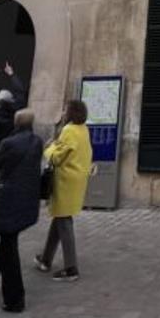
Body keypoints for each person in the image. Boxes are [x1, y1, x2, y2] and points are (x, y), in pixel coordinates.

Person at [0, 108, 43, 313]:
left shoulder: (8, 143)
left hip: (9, 200)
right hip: (28, 201)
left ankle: (15, 299)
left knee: (9, 248)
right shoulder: (38, 142)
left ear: (16, 123)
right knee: (8, 241)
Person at [34, 100, 93, 282]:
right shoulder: (83, 129)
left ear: (71, 112)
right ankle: (46, 258)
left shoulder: (69, 130)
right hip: (77, 179)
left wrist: (49, 147)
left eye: (65, 109)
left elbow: (57, 157)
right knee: (60, 218)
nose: (63, 112)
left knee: (64, 221)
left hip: (65, 181)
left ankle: (71, 267)